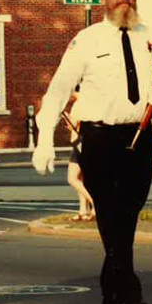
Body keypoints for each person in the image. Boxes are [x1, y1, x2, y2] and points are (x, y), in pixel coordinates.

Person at [32, 0, 152, 304]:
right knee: (109, 213)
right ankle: (126, 292)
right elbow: (59, 89)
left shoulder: (151, 36)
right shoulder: (87, 40)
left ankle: (112, 289)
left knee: (129, 214)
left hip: (139, 136)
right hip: (100, 139)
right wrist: (44, 137)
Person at [63, 91, 95, 221]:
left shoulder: (80, 104)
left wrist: (64, 114)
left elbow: (74, 125)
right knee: (81, 177)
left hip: (79, 141)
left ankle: (96, 203)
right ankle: (83, 210)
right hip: (84, 141)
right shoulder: (91, 101)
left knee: (72, 178)